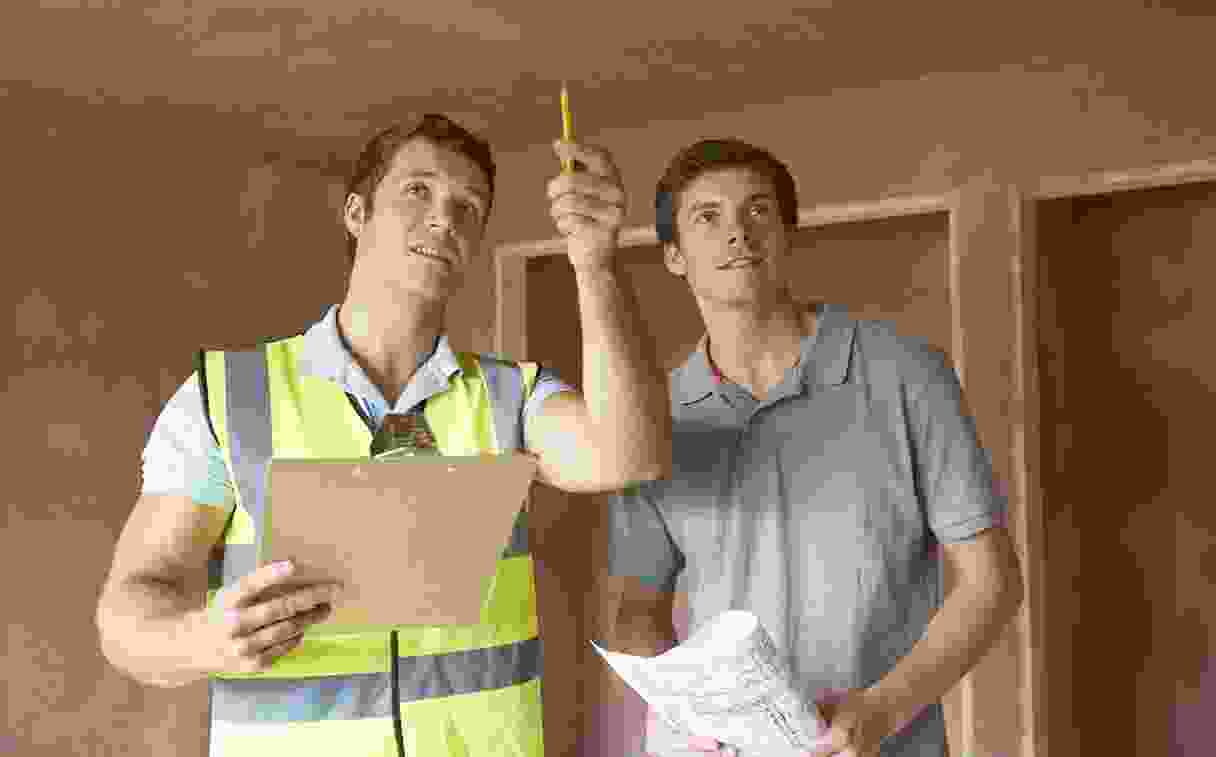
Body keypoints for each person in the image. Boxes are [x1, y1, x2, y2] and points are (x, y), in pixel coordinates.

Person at [94, 113, 672, 757]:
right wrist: (198, 640)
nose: (444, 218)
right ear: (356, 212)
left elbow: (629, 455)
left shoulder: (512, 397)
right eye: (418, 191)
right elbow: (128, 613)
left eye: (467, 207)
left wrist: (595, 265)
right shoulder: (227, 397)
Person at [603, 139, 1024, 757]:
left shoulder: (905, 374)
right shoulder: (655, 418)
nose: (737, 232)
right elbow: (636, 611)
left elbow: (992, 583)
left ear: (788, 234)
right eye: (707, 217)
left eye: (758, 210)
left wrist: (882, 709)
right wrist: (692, 716)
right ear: (674, 256)